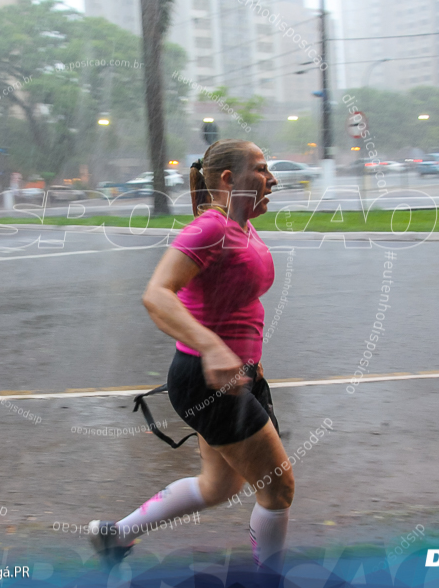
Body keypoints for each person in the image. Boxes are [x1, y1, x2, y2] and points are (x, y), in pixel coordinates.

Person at [88, 139, 294, 572]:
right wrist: (214, 348)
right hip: (208, 378)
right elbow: (156, 295)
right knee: (278, 489)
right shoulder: (210, 229)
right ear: (228, 179)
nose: (272, 178)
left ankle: (116, 535)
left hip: (233, 376)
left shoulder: (241, 226)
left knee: (217, 487)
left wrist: (251, 362)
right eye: (261, 169)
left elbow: (236, 303)